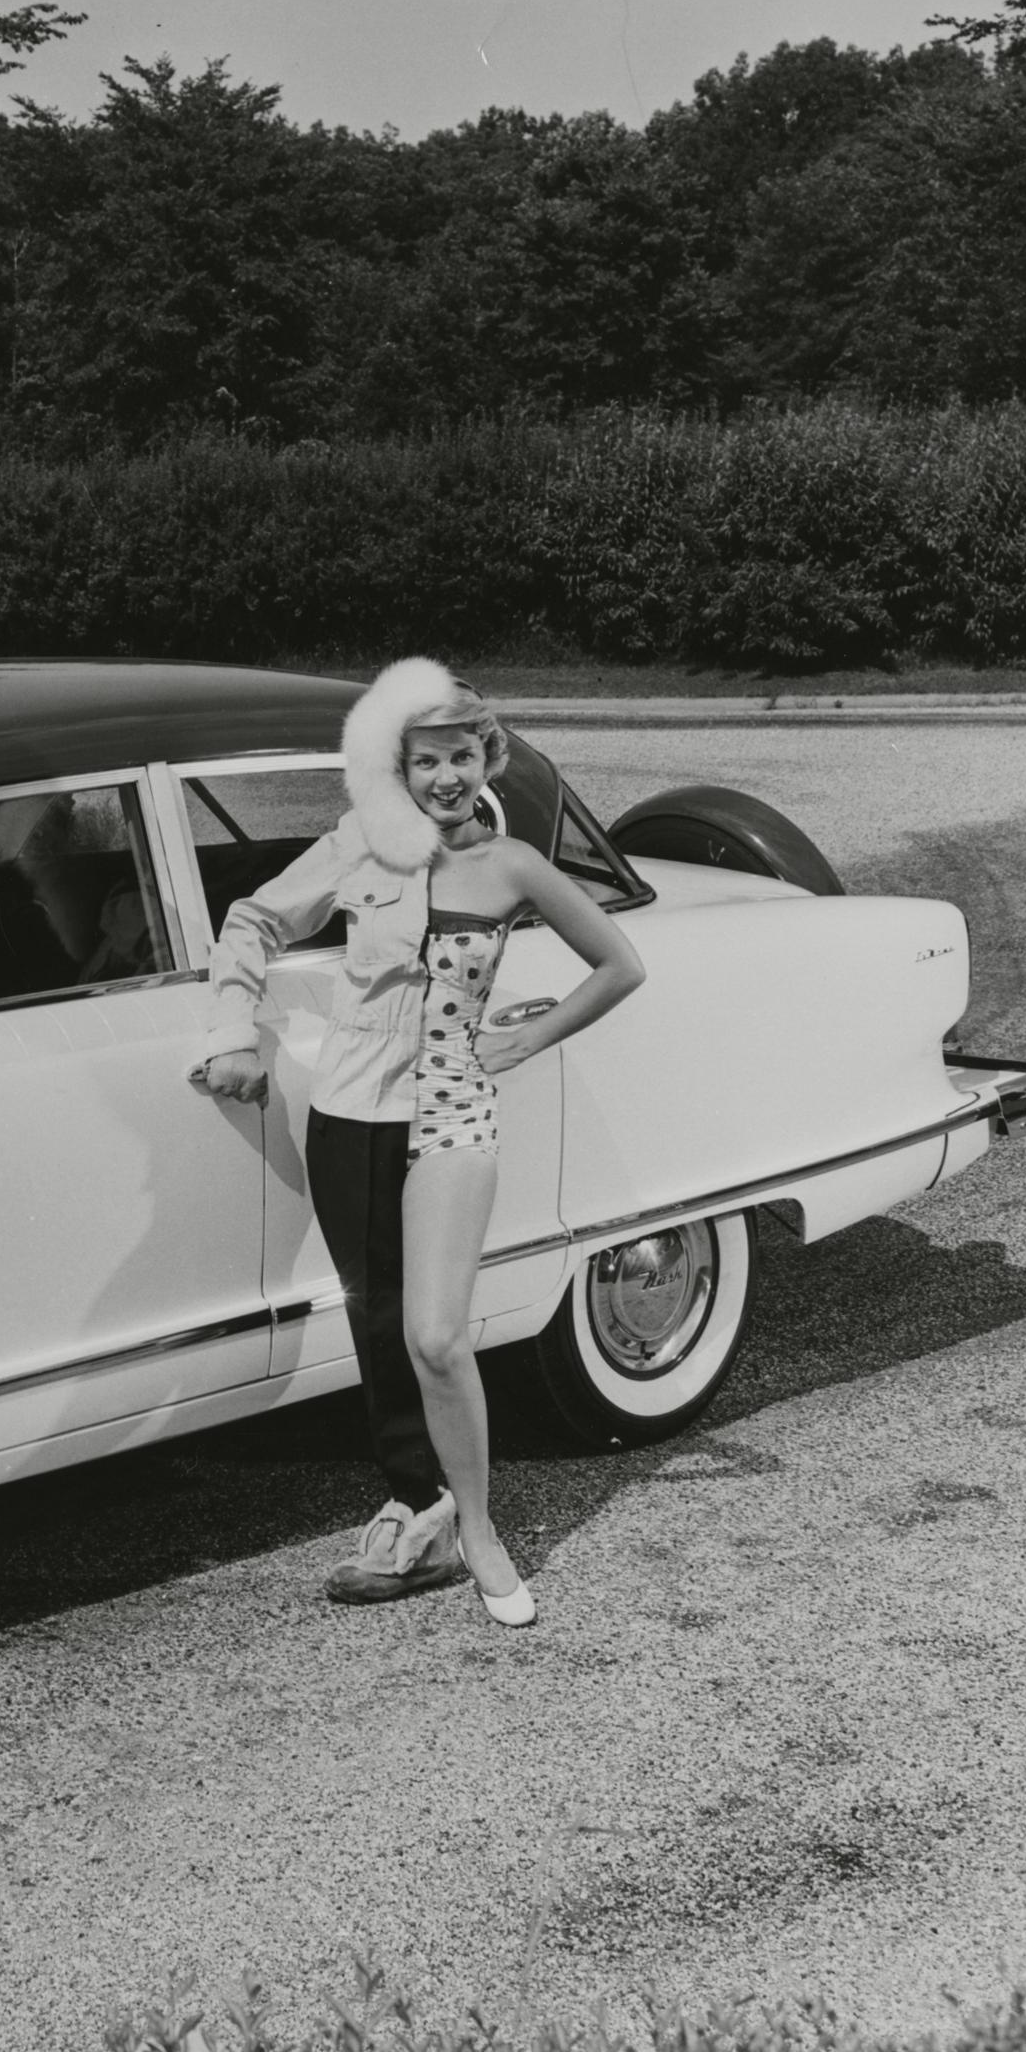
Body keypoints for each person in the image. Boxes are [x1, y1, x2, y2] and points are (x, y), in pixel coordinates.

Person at [191, 657, 644, 1627]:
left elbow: (620, 964)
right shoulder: (360, 845)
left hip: (449, 1106)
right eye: (424, 761)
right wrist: (231, 1028)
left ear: (489, 758)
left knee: (434, 1333)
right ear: (397, 770)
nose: (444, 777)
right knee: (377, 1316)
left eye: (460, 757)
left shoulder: (513, 866)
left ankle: (477, 1529)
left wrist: (529, 1036)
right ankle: (415, 1504)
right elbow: (253, 919)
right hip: (352, 1104)